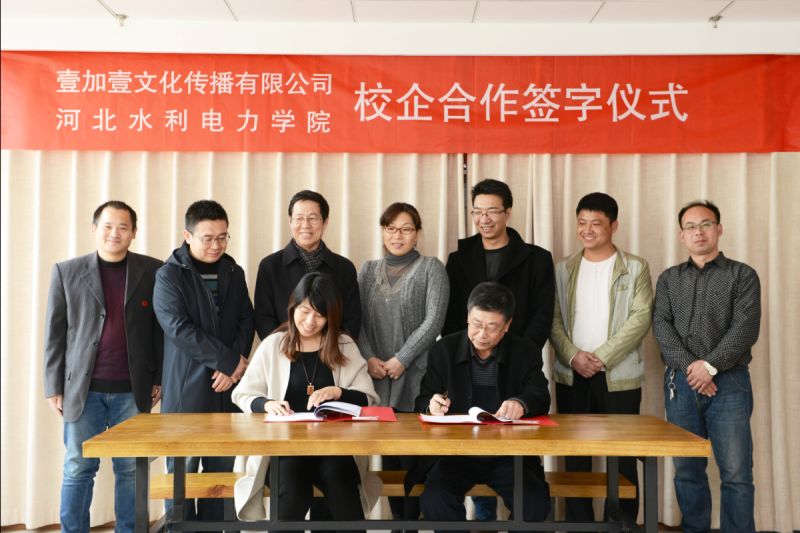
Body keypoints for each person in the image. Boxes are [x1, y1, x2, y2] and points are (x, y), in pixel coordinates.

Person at [43, 200, 163, 533]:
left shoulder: (153, 271)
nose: (114, 233)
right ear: (94, 229)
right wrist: (54, 386)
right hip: (83, 389)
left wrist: (159, 378)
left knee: (131, 469)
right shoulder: (66, 271)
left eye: (123, 227)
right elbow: (54, 333)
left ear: (134, 232)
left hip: (133, 389)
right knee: (78, 467)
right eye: (107, 226)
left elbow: (160, 331)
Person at [442, 178, 555, 520]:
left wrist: (517, 354)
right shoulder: (459, 257)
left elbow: (542, 314)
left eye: (492, 211)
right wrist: (471, 352)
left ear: (508, 212)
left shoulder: (536, 258)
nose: (484, 218)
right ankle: (483, 517)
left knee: (511, 446)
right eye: (477, 211)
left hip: (515, 367)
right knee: (472, 440)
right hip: (470, 366)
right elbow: (453, 318)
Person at [232, 272, 380, 529]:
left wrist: (338, 392)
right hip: (285, 449)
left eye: (320, 315)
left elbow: (369, 399)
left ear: (331, 317)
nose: (310, 322)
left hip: (335, 448)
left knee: (340, 483)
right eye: (304, 311)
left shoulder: (344, 344)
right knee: (292, 489)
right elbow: (242, 394)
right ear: (293, 307)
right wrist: (266, 404)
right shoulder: (274, 344)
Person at [653, 200, 760, 533]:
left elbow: (745, 328)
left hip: (730, 384)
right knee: (687, 470)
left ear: (719, 229)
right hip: (681, 385)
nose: (698, 232)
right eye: (690, 227)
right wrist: (694, 368)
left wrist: (710, 366)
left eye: (705, 224)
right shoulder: (669, 279)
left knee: (736, 473)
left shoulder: (742, 275)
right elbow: (662, 327)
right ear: (681, 235)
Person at [549, 192, 653, 523]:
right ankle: (578, 524)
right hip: (572, 374)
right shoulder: (563, 269)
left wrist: (601, 357)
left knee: (622, 455)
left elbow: (641, 318)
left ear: (614, 226)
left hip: (619, 377)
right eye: (582, 222)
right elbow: (553, 320)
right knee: (575, 456)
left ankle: (621, 524)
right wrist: (573, 356)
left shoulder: (635, 267)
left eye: (596, 223)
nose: (587, 229)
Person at [414, 282, 551, 531]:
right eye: (476, 324)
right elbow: (422, 399)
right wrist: (431, 405)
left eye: (492, 327)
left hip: (509, 455)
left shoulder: (525, 351)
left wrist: (521, 403)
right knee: (435, 498)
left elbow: (540, 395)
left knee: (534, 501)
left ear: (507, 325)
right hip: (456, 453)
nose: (481, 334)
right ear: (467, 317)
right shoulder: (444, 349)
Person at [153, 199, 254, 527]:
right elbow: (178, 329)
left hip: (228, 389)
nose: (216, 245)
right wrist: (229, 361)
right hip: (187, 388)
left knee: (221, 474)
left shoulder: (233, 271)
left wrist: (233, 368)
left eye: (223, 237)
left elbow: (246, 320)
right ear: (187, 235)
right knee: (181, 472)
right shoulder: (169, 275)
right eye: (208, 238)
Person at [357, 202, 449, 521]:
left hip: (415, 378)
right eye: (391, 228)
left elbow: (434, 321)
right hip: (377, 378)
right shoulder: (367, 270)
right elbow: (356, 321)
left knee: (414, 463)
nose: (398, 235)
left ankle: (412, 523)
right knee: (390, 463)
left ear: (418, 233)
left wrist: (402, 359)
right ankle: (400, 524)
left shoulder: (431, 268)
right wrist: (369, 357)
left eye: (406, 229)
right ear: (383, 232)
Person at [254, 190, 361, 341]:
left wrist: (329, 348)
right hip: (284, 351)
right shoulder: (270, 266)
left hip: (332, 352)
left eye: (312, 218)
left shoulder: (345, 268)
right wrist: (287, 348)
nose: (305, 225)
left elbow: (352, 319)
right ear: (290, 221)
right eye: (299, 218)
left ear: (325, 222)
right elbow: (263, 318)